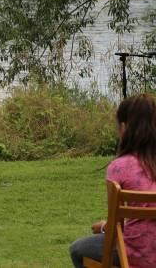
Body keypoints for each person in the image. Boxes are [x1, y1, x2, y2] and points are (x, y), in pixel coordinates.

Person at [69, 94, 156, 267]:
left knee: (76, 249)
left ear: (124, 128)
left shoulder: (119, 167)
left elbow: (116, 226)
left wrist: (103, 227)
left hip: (134, 256)